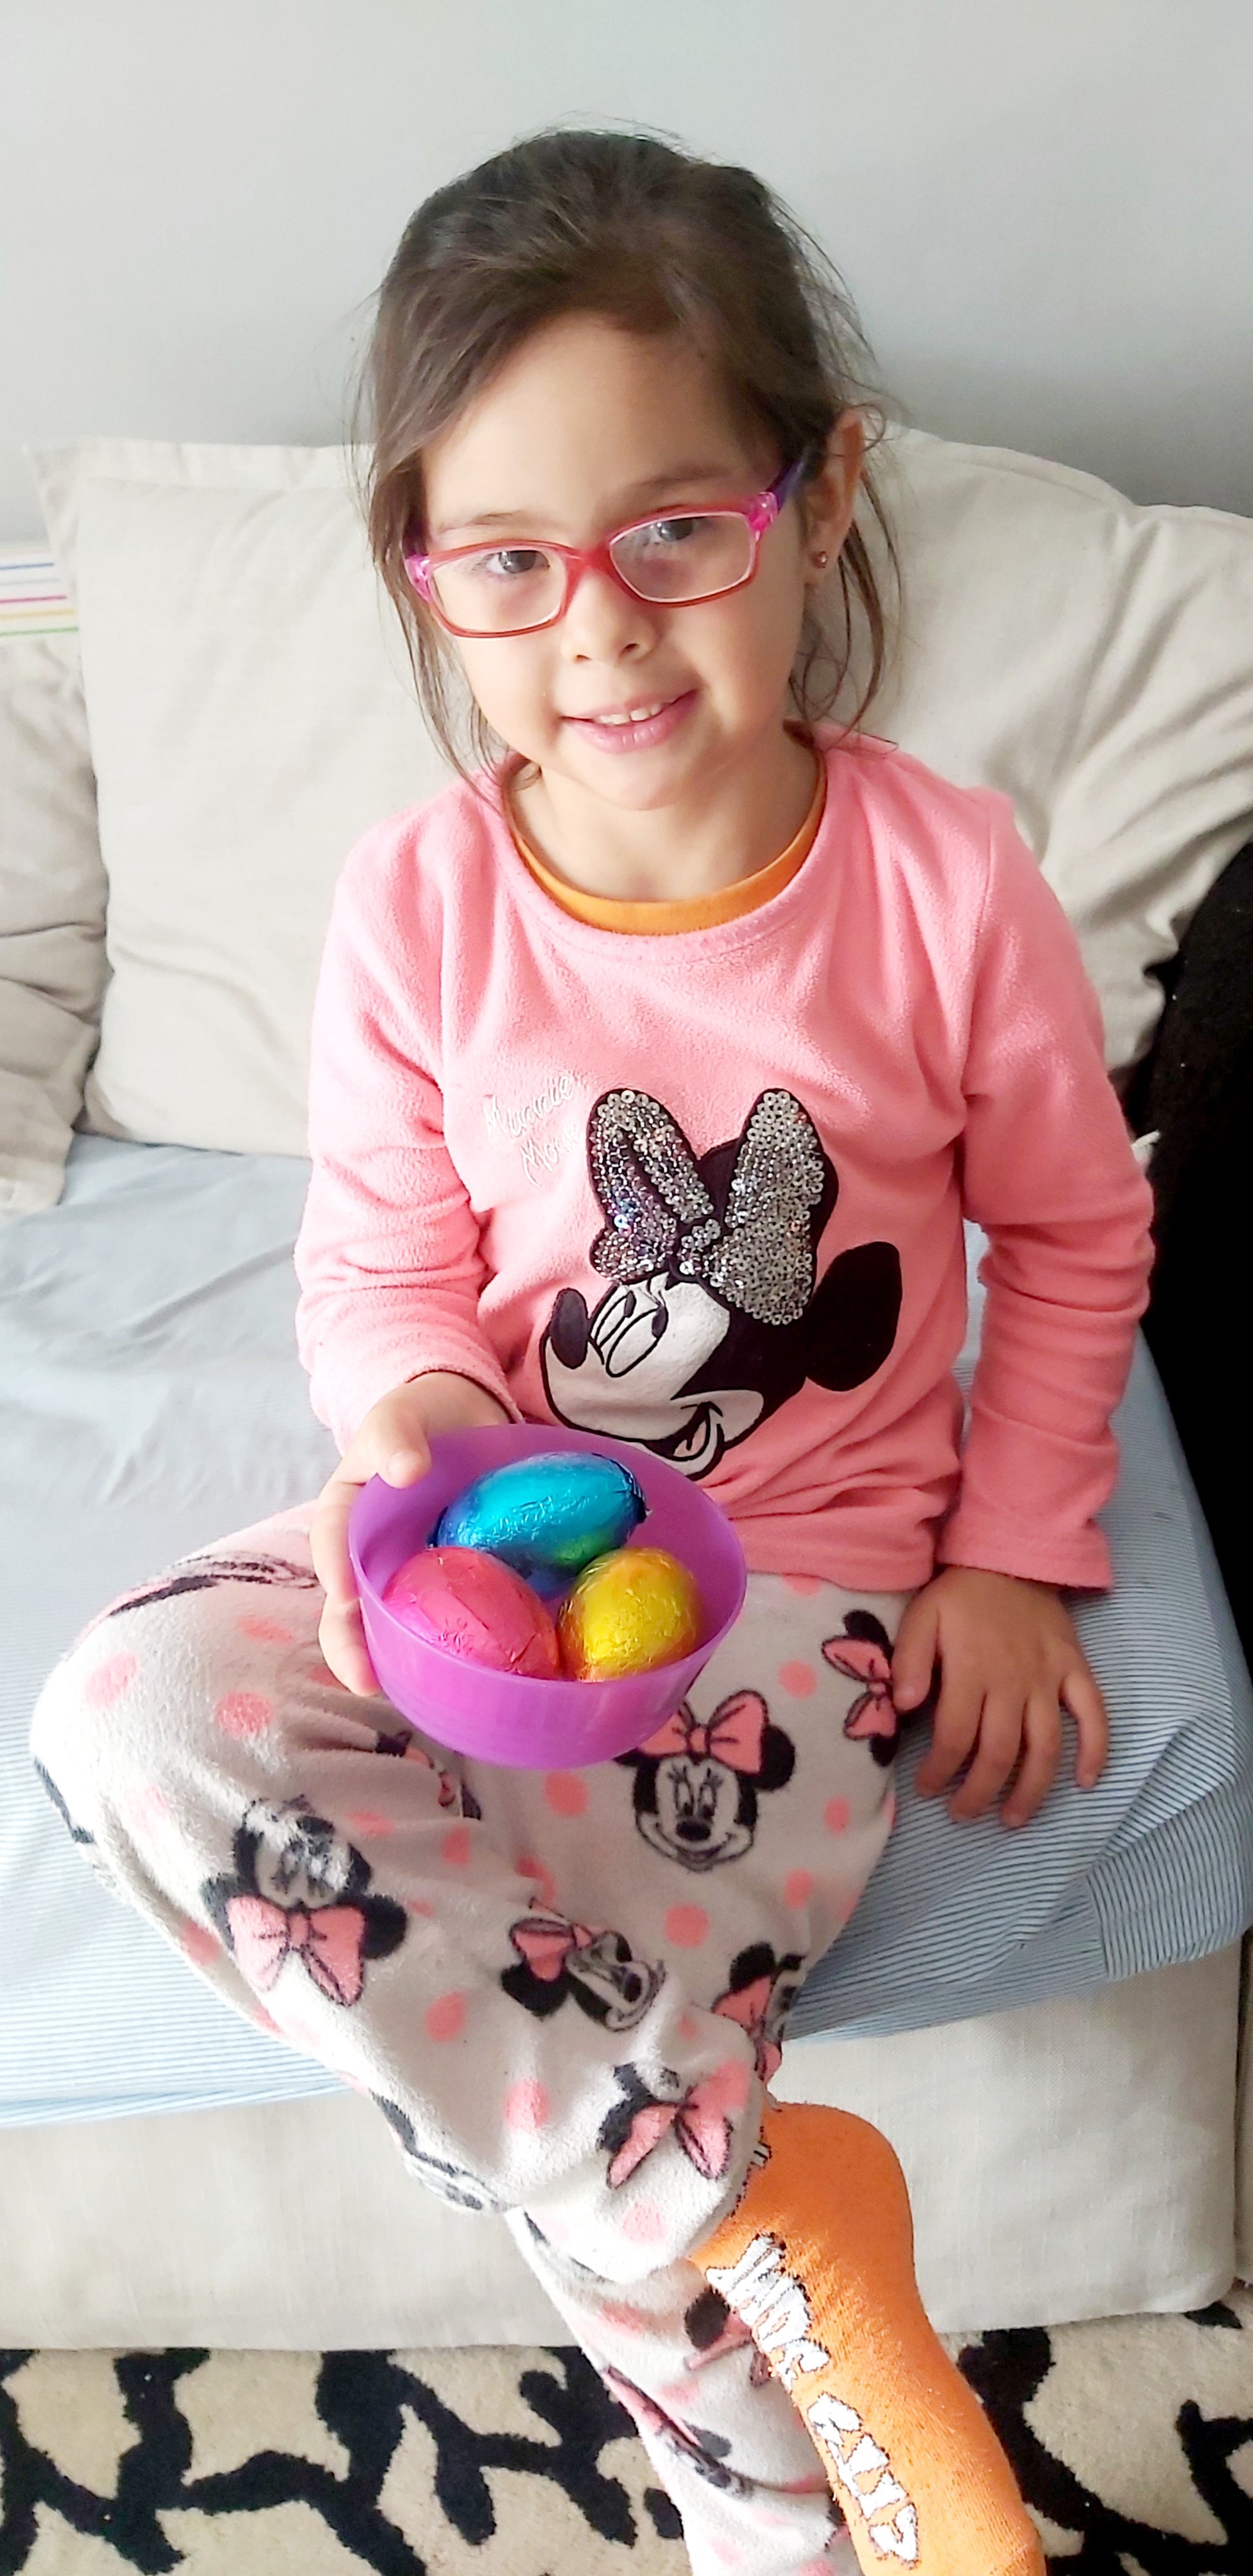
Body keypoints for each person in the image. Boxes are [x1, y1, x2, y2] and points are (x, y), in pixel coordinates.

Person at [31, 129, 1152, 2575]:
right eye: (512, 564)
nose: (605, 634)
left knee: (590, 1947)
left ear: (816, 500)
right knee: (122, 1708)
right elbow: (382, 1266)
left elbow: (1075, 1234)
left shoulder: (944, 880)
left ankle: (764, 2507)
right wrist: (419, 1447)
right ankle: (747, 2207)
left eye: (676, 535)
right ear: (426, 578)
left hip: (797, 1595)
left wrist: (1013, 1555)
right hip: (493, 1561)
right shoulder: (418, 900)